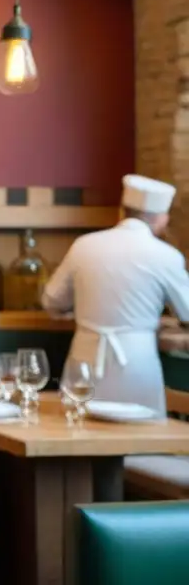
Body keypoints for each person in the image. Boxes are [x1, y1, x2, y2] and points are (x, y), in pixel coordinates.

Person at [42, 174, 189, 412]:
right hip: (137, 363)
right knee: (141, 436)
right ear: (161, 218)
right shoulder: (166, 256)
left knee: (76, 433)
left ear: (122, 211)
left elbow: (51, 300)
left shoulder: (84, 245)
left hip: (84, 357)